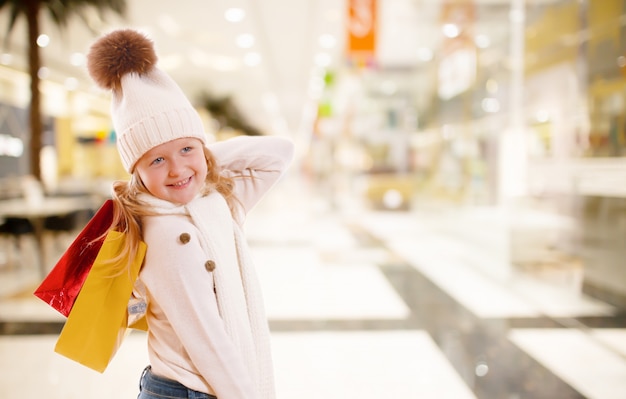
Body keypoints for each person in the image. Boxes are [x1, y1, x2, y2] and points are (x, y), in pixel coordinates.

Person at [86, 29, 294, 399]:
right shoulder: (166, 234)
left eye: (186, 149)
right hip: (188, 391)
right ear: (137, 170)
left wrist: (204, 161)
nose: (177, 170)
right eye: (157, 159)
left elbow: (279, 153)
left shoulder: (214, 202)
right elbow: (206, 341)